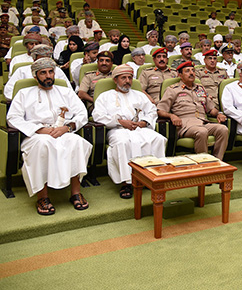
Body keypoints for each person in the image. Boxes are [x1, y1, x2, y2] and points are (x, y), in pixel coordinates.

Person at [6, 58, 92, 215]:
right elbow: (13, 118)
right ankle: (42, 196)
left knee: (77, 142)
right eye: (43, 73)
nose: (48, 76)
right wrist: (38, 129)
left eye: (51, 72)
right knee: (43, 145)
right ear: (35, 76)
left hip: (63, 132)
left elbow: (82, 114)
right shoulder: (24, 93)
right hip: (36, 136)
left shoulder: (65, 92)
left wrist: (67, 128)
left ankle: (75, 193)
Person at [92, 64, 167, 198]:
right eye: (123, 78)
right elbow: (98, 115)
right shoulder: (105, 96)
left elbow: (152, 111)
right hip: (117, 129)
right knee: (123, 143)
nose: (127, 81)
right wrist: (120, 122)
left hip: (140, 128)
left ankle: (154, 177)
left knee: (158, 139)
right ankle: (126, 183)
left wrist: (144, 122)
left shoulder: (139, 95)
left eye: (130, 78)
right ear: (115, 80)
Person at [158, 61, 229, 159]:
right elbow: (160, 110)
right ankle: (204, 162)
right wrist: (172, 116)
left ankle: (217, 160)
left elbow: (211, 109)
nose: (191, 73)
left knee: (223, 129)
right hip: (185, 125)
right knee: (202, 132)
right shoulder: (173, 90)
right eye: (187, 71)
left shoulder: (200, 88)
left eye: (193, 71)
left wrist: (218, 114)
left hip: (202, 122)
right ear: (180, 75)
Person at [5, 44, 71, 100]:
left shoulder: (57, 70)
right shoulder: (22, 71)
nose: (45, 62)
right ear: (34, 59)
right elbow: (9, 91)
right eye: (42, 59)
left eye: (47, 59)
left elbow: (69, 90)